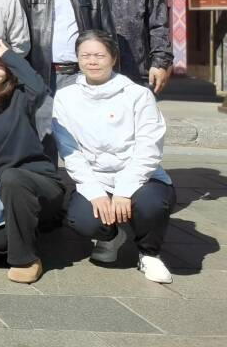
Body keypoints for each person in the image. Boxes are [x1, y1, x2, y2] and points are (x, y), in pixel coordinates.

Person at [53, 29, 175, 284]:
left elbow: (149, 148)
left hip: (141, 177)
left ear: (113, 58)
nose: (92, 61)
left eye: (99, 55)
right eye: (85, 55)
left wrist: (124, 191)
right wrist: (95, 192)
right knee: (82, 219)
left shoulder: (138, 94)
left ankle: (149, 253)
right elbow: (70, 152)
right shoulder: (65, 97)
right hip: (97, 177)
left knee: (151, 205)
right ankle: (111, 236)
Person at [0, 38, 65, 284]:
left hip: (39, 182)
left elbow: (39, 87)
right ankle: (29, 230)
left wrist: (9, 55)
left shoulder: (21, 96)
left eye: (0, 65)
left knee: (13, 178)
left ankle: (26, 259)